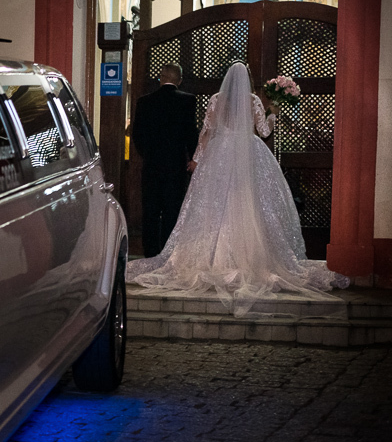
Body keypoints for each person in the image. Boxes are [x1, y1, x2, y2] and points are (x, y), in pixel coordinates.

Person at [126, 62, 348, 315]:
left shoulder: (216, 99)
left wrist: (197, 160)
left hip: (219, 154)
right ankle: (248, 258)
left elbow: (206, 133)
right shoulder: (253, 100)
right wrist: (273, 112)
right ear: (248, 80)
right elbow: (264, 131)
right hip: (247, 153)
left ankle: (214, 259)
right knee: (248, 204)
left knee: (216, 206)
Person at [131, 63, 200, 257]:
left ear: (160, 78)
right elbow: (191, 134)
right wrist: (194, 157)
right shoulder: (187, 101)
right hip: (175, 166)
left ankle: (150, 252)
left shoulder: (144, 102)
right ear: (180, 80)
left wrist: (148, 154)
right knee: (172, 210)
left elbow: (137, 135)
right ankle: (168, 254)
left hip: (151, 165)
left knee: (150, 211)